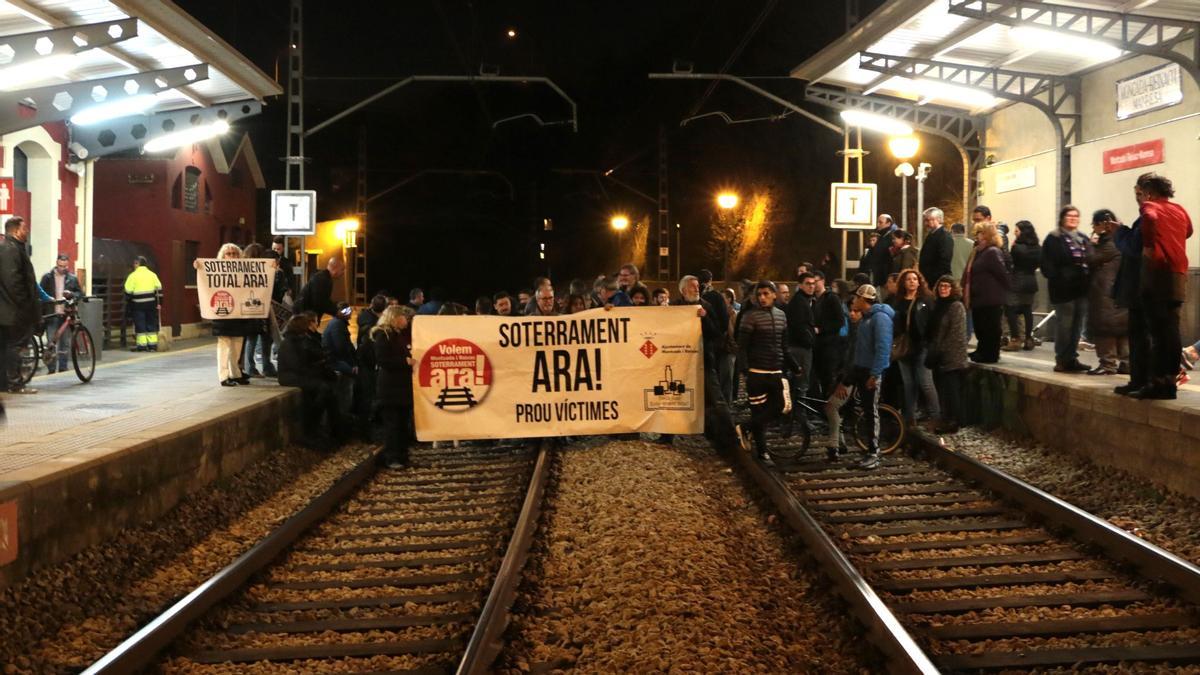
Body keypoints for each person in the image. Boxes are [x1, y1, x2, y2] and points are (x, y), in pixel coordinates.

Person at [1126, 172, 1193, 399]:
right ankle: (1169, 384)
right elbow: (1190, 230)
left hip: (1157, 273)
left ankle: (1155, 383)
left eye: (1143, 193)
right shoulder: (1180, 209)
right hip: (1179, 273)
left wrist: (1149, 245)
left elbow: (1151, 218)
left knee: (1156, 332)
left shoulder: (1150, 207)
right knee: (1171, 331)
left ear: (1150, 192)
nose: (1141, 198)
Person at [819, 284, 893, 469]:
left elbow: (883, 349)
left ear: (863, 299)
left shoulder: (879, 319)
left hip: (869, 372)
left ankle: (874, 452)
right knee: (864, 410)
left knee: (871, 411)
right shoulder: (867, 319)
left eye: (857, 297)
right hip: (861, 370)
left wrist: (875, 374)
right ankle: (866, 450)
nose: (854, 301)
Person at [734, 281, 799, 463]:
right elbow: (742, 346)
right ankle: (763, 453)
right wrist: (745, 371)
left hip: (775, 371)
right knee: (758, 411)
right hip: (757, 372)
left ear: (774, 294)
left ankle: (745, 427)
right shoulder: (749, 316)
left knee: (781, 407)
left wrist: (794, 366)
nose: (762, 298)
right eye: (759, 294)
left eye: (765, 294)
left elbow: (784, 346)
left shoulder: (782, 316)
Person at [674, 275, 736, 449]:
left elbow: (716, 333)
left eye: (697, 286)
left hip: (704, 360)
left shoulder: (706, 306)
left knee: (716, 397)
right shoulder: (674, 307)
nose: (696, 289)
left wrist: (705, 317)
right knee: (671, 396)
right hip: (680, 361)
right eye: (692, 287)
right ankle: (667, 435)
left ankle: (730, 435)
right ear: (683, 290)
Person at [1041, 205, 1092, 373]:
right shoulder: (1054, 238)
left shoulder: (1083, 238)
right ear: (1062, 218)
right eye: (1069, 215)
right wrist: (1060, 277)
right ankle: (1062, 358)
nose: (1073, 218)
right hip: (1063, 290)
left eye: (1076, 215)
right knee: (1065, 325)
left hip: (1081, 288)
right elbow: (1047, 264)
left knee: (1077, 325)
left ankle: (1071, 357)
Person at [277, 312, 340, 447]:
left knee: (325, 389)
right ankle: (312, 425)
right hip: (289, 377)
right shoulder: (289, 343)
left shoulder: (299, 341)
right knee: (322, 388)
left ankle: (324, 427)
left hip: (298, 374)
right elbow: (296, 366)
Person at [197, 243, 251, 386]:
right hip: (223, 312)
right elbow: (204, 276)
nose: (232, 256)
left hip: (239, 314)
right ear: (223, 256)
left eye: (235, 253)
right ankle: (223, 376)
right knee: (224, 345)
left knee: (237, 344)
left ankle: (236, 374)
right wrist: (198, 266)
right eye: (229, 253)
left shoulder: (244, 271)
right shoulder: (215, 271)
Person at [890, 268, 939, 424]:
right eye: (908, 279)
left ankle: (936, 415)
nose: (912, 281)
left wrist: (930, 342)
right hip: (904, 347)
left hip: (921, 346)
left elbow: (933, 322)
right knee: (908, 384)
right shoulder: (897, 301)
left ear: (919, 282)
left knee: (925, 382)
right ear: (903, 283)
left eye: (914, 279)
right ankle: (909, 418)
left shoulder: (927, 299)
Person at [1085, 209, 1129, 376]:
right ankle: (1127, 363)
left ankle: (1107, 364)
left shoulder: (1109, 243)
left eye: (1093, 225)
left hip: (1105, 292)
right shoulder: (1123, 239)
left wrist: (1090, 243)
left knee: (1105, 328)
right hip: (1120, 291)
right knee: (1122, 328)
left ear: (1101, 225)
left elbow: (1090, 259)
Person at [371, 305, 416, 468]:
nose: (406, 320)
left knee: (403, 423)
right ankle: (392, 457)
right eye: (404, 317)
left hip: (401, 386)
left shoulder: (398, 335)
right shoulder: (383, 335)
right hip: (390, 387)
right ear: (395, 318)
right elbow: (382, 359)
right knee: (393, 424)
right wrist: (405, 361)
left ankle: (402, 455)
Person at [0, 216, 40, 397]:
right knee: (15, 346)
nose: (27, 231)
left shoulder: (10, 248)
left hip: (8, 310)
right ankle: (14, 383)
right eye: (25, 228)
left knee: (7, 346)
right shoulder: (11, 250)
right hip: (13, 311)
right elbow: (13, 282)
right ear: (15, 230)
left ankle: (6, 383)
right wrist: (25, 306)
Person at [924, 275, 969, 434]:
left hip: (952, 356)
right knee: (942, 390)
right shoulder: (938, 306)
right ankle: (945, 418)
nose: (943, 289)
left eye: (947, 286)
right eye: (941, 286)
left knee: (952, 391)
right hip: (939, 356)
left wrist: (942, 351)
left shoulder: (956, 306)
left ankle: (953, 421)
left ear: (953, 289)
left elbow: (956, 334)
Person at [967, 222, 1010, 364]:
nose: (977, 236)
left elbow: (1002, 274)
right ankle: (982, 350)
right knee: (981, 327)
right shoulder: (979, 251)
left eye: (979, 233)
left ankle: (990, 354)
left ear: (987, 235)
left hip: (990, 297)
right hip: (980, 297)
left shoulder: (992, 252)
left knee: (990, 327)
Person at [40, 253, 83, 373]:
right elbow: (40, 294)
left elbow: (80, 293)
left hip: (65, 315)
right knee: (51, 342)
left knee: (64, 343)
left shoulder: (72, 278)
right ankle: (51, 368)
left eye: (64, 266)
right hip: (52, 314)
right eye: (60, 265)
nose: (62, 268)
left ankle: (63, 368)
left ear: (67, 265)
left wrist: (72, 294)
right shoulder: (47, 278)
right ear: (56, 263)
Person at [783, 272, 817, 421]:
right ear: (801, 285)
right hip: (800, 348)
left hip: (800, 346)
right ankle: (799, 417)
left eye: (813, 283)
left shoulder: (803, 300)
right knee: (801, 384)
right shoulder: (799, 302)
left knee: (798, 384)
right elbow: (798, 326)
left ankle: (795, 416)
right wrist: (810, 339)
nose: (811, 286)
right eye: (808, 283)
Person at [1003, 221, 1041, 352]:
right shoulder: (1037, 247)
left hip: (1017, 280)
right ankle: (1028, 339)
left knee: (1010, 308)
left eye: (1017, 230)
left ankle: (1015, 339)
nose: (1014, 232)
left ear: (1023, 232)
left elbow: (1011, 262)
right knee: (1027, 310)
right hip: (1031, 280)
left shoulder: (1017, 247)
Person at [811, 271, 848, 399]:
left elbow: (840, 321)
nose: (813, 285)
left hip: (830, 346)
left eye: (815, 282)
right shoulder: (813, 300)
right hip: (818, 346)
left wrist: (821, 329)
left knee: (828, 379)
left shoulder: (831, 298)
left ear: (822, 281)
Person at [323, 301, 357, 420]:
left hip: (336, 359)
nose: (349, 313)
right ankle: (344, 415)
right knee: (352, 377)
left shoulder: (338, 323)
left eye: (349, 310)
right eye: (345, 311)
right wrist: (352, 364)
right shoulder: (337, 325)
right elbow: (341, 348)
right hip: (334, 361)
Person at [240, 243, 270, 377]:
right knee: (252, 338)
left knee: (250, 338)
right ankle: (250, 367)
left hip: (245, 308)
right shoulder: (259, 270)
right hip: (256, 308)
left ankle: (248, 367)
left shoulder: (241, 269)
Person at [124, 255, 162, 352]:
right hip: (151, 304)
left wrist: (129, 302)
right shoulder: (153, 275)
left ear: (137, 264)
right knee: (151, 324)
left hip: (138, 305)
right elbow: (159, 290)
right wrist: (160, 303)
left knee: (140, 325)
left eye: (134, 263)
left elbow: (128, 291)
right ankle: (152, 346)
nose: (133, 265)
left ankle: (142, 346)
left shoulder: (132, 276)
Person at [294, 256, 344, 321]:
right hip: (303, 316)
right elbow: (319, 301)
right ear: (335, 268)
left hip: (305, 314)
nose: (343, 273)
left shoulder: (323, 277)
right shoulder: (323, 279)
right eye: (342, 269)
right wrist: (336, 312)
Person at [919, 207, 954, 285]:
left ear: (938, 219)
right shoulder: (931, 235)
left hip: (937, 281)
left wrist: (933, 279)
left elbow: (944, 260)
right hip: (929, 279)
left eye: (928, 220)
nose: (926, 223)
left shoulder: (944, 236)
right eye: (925, 220)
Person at [868, 214, 898, 285]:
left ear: (888, 223)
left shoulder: (892, 236)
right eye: (877, 222)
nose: (878, 225)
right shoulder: (882, 235)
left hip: (885, 277)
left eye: (880, 222)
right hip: (879, 276)